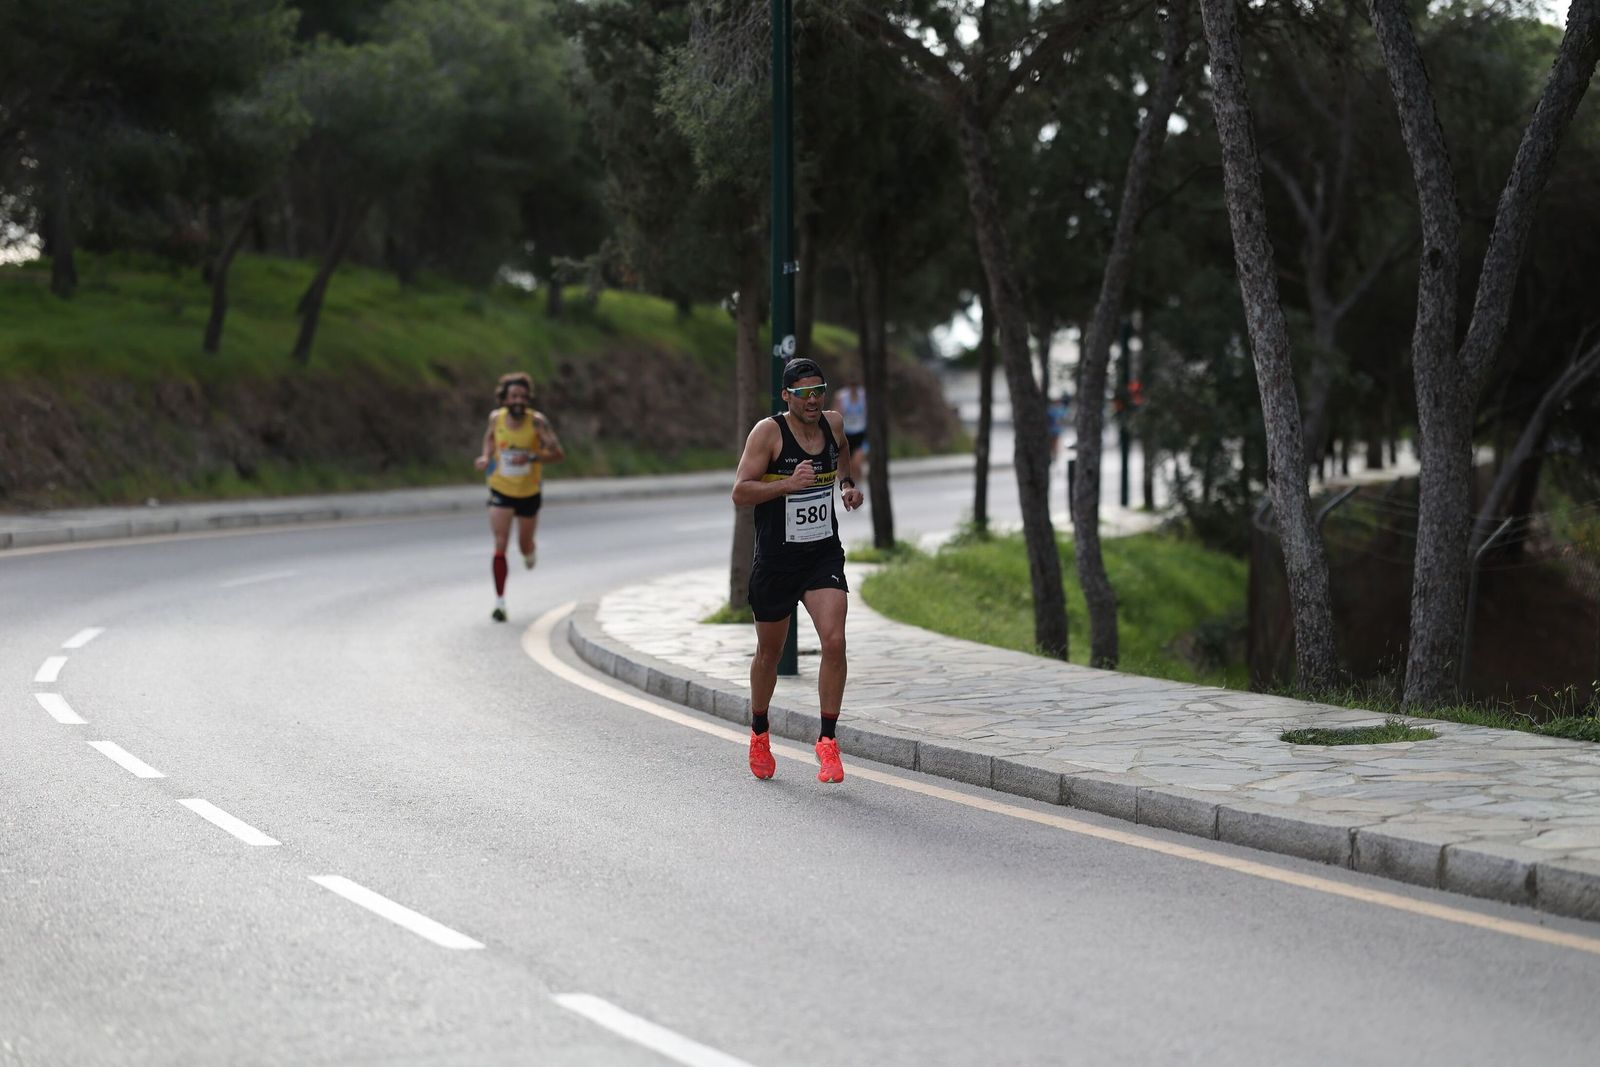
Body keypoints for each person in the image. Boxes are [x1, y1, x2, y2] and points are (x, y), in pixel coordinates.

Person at [731, 357, 864, 784]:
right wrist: (787, 484)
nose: (813, 400)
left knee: (835, 641)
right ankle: (759, 731)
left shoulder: (833, 423)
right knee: (769, 653)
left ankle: (827, 741)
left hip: (822, 554)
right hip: (776, 560)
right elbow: (740, 492)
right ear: (786, 395)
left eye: (819, 391)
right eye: (803, 393)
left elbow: (842, 451)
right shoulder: (768, 433)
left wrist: (846, 485)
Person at [474, 371, 565, 622]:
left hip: (528, 491)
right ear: (504, 398)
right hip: (501, 488)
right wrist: (486, 457)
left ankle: (530, 550)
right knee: (500, 543)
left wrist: (534, 457)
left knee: (524, 544)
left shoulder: (537, 423)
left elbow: (558, 454)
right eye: (513, 396)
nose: (518, 401)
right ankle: (500, 602)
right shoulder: (496, 419)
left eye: (523, 397)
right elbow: (490, 440)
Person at [834, 376, 869, 483]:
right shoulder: (841, 396)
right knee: (849, 464)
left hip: (860, 434)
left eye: (855, 386)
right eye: (851, 386)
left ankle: (859, 483)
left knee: (857, 463)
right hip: (847, 434)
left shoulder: (864, 395)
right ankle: (853, 483)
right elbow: (836, 414)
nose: (853, 388)